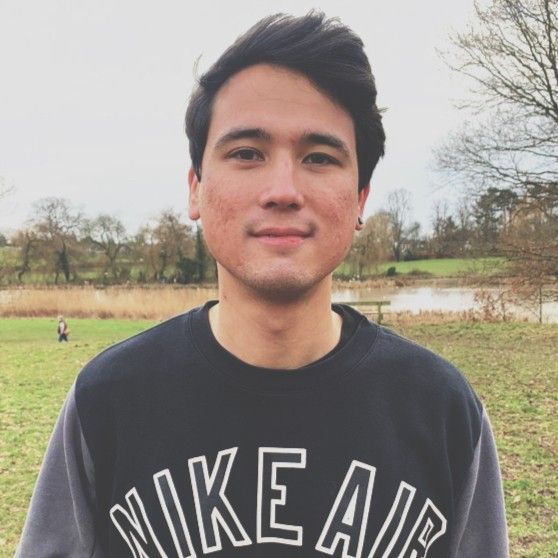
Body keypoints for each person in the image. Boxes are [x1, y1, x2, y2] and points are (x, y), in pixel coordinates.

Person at [16, 12, 508, 557]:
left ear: (360, 199)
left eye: (319, 157)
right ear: (195, 189)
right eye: (247, 153)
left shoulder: (442, 411)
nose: (283, 190)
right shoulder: (108, 401)